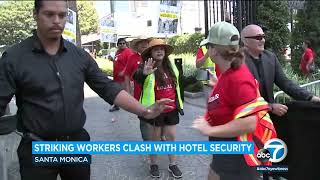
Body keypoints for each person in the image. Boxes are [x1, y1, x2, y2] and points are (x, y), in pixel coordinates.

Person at [0, 1, 173, 180]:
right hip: (37, 147)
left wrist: (144, 111)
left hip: (76, 144)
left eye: (62, 15)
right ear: (35, 14)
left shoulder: (79, 55)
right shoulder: (14, 58)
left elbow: (106, 87)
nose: (57, 21)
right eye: (49, 14)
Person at [192, 21, 276, 180]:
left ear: (214, 50)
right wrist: (219, 86)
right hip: (226, 153)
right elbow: (234, 100)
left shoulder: (238, 78)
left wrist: (209, 130)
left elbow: (249, 123)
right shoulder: (228, 74)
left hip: (239, 158)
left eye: (208, 46)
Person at [241, 24, 320, 117]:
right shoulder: (237, 61)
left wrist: (310, 97)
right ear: (245, 41)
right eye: (258, 37)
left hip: (268, 118)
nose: (262, 40)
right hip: (247, 118)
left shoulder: (270, 57)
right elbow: (240, 97)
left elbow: (285, 83)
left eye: (263, 37)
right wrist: (269, 107)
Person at [133, 39, 184, 178]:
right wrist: (144, 73)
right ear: (151, 52)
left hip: (171, 108)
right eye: (156, 49)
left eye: (162, 49)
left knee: (171, 137)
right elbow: (136, 76)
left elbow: (178, 85)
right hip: (155, 110)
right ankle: (153, 164)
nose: (160, 51)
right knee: (154, 139)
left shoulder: (171, 65)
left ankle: (172, 164)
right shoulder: (145, 66)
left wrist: (180, 104)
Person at [124, 36, 151, 141]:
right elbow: (127, 75)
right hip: (139, 95)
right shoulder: (132, 58)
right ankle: (147, 142)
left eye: (146, 42)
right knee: (144, 119)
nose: (144, 44)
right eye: (141, 43)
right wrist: (128, 91)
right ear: (137, 46)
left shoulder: (152, 56)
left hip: (156, 94)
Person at [109, 37, 133, 112]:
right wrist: (112, 59)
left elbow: (131, 63)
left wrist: (124, 71)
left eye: (123, 43)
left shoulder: (128, 51)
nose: (122, 45)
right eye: (120, 43)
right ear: (118, 45)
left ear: (126, 44)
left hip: (124, 77)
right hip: (116, 76)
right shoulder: (118, 52)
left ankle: (131, 106)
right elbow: (118, 61)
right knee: (117, 91)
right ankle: (117, 105)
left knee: (124, 92)